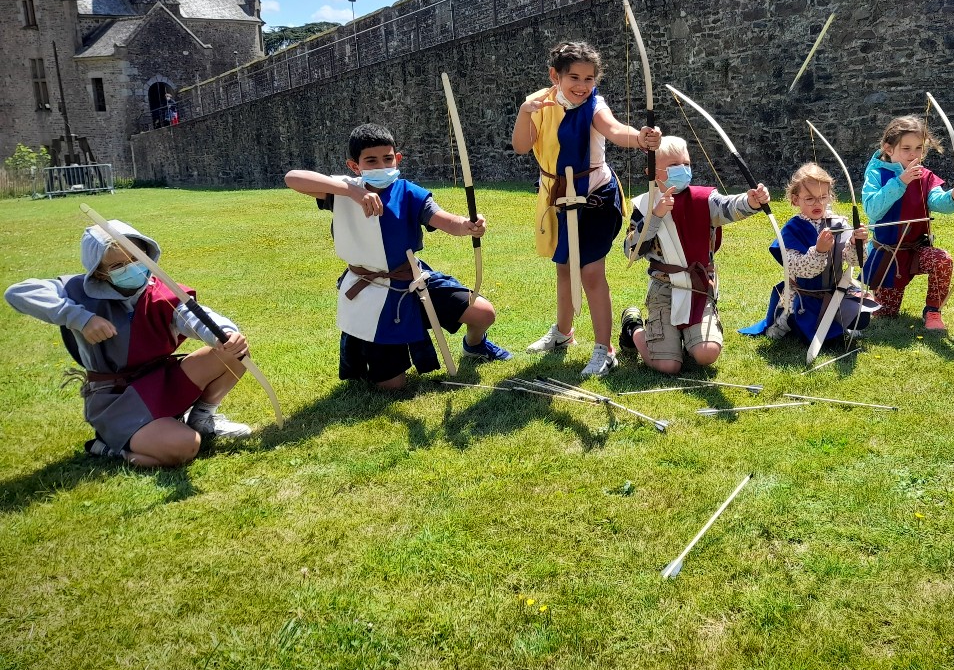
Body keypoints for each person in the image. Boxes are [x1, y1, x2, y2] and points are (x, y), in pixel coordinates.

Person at [4, 219, 253, 468]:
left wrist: (225, 334)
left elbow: (193, 317)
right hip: (115, 397)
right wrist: (80, 318)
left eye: (136, 258)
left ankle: (201, 419)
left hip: (160, 379)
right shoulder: (79, 291)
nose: (131, 268)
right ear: (100, 272)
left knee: (233, 353)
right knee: (185, 447)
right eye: (118, 265)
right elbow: (18, 292)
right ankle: (111, 448)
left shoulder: (160, 292)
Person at [284, 122, 511, 390]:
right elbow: (292, 178)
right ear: (354, 166)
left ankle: (475, 346)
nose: (381, 165)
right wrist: (353, 191)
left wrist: (467, 225)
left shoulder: (408, 192)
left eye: (387, 158)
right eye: (371, 160)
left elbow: (446, 221)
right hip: (371, 292)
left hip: (412, 279)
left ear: (397, 158)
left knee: (483, 313)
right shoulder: (341, 192)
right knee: (391, 387)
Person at [511, 41, 661, 378]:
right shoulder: (539, 103)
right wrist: (524, 111)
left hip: (595, 199)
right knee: (564, 268)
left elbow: (612, 128)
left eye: (589, 78)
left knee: (591, 274)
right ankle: (564, 333)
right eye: (574, 77)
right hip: (559, 199)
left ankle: (604, 350)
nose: (582, 86)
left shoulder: (595, 104)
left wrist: (640, 138)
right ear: (556, 76)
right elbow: (521, 146)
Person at [617, 136, 770, 374]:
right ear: (653, 172)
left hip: (698, 288)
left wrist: (750, 201)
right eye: (674, 166)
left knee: (706, 353)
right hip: (663, 289)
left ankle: (685, 337)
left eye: (686, 164)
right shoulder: (645, 205)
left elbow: (728, 207)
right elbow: (631, 251)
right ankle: (634, 328)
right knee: (667, 366)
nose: (683, 170)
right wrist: (654, 216)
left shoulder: (703, 199)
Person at [740, 163, 875, 349]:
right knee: (809, 332)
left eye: (823, 197)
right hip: (804, 297)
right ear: (796, 200)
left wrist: (856, 243)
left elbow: (856, 261)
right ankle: (786, 319)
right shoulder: (792, 229)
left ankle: (837, 319)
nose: (818, 203)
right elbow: (799, 268)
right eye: (809, 198)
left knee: (862, 316)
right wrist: (818, 250)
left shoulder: (839, 223)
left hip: (836, 292)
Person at [861, 114, 954, 333]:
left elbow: (938, 201)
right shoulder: (876, 174)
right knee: (885, 313)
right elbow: (872, 208)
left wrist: (953, 197)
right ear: (888, 148)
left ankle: (933, 311)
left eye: (919, 149)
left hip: (917, 249)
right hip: (888, 254)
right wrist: (900, 182)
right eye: (906, 149)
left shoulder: (925, 176)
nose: (913, 155)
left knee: (942, 260)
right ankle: (866, 298)